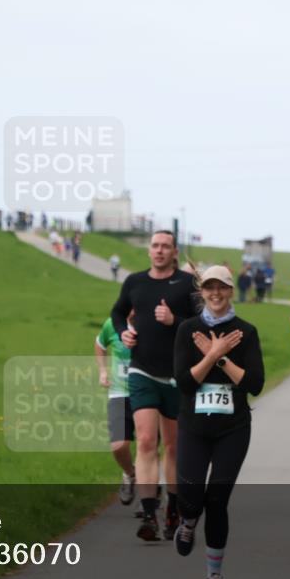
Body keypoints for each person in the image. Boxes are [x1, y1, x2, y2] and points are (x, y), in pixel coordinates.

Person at [172, 265, 264, 579]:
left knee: (217, 500)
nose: (215, 294)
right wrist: (212, 353)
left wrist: (222, 359)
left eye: (221, 287)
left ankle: (214, 575)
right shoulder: (188, 329)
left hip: (233, 428)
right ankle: (188, 521)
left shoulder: (246, 332)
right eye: (209, 287)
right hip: (194, 426)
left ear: (230, 291)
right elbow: (185, 383)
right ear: (202, 291)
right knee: (191, 495)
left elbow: (254, 384)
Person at [111, 230, 195, 541]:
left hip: (176, 375)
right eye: (155, 246)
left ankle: (173, 508)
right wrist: (123, 331)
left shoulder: (187, 284)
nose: (159, 251)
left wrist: (175, 321)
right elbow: (118, 312)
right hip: (142, 371)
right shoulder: (135, 282)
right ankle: (148, 515)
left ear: (175, 252)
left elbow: (200, 324)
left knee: (172, 446)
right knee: (146, 441)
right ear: (149, 250)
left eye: (165, 247)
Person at [95, 313, 136, 506]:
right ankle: (130, 474)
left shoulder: (152, 322)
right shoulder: (112, 324)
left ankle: (149, 500)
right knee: (118, 446)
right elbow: (100, 344)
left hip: (149, 392)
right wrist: (102, 371)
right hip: (119, 392)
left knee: (149, 445)